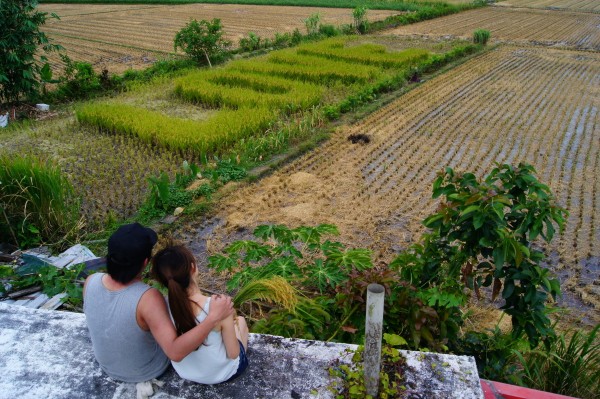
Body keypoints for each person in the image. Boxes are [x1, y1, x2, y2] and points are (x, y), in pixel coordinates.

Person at [83, 222, 234, 383]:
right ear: (145, 263)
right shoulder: (148, 298)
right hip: (146, 371)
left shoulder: (91, 281)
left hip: (108, 366)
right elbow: (174, 352)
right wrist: (213, 318)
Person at [152, 244, 249, 384]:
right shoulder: (218, 306)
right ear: (193, 268)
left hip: (186, 373)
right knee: (240, 321)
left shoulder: (161, 308)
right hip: (221, 375)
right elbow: (233, 354)